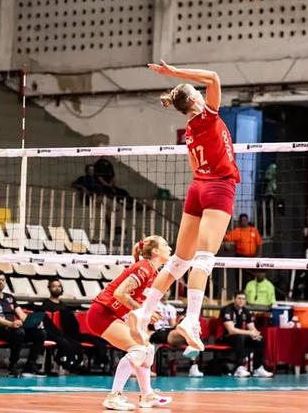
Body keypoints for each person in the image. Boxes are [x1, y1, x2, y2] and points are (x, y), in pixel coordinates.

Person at [129, 62, 239, 353]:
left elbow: (193, 167)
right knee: (203, 259)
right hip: (218, 187)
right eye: (198, 94)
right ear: (194, 100)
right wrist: (174, 73)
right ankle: (191, 320)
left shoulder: (190, 129)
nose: (204, 95)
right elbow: (214, 76)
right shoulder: (207, 115)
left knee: (178, 261)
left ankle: (142, 313)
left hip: (198, 188)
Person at [85, 236, 173, 410]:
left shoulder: (152, 272)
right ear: (155, 251)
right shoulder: (143, 268)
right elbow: (120, 294)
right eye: (165, 245)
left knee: (147, 349)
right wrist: (142, 311)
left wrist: (147, 313)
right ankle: (113, 396)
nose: (169, 248)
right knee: (138, 349)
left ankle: (147, 395)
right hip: (101, 313)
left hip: (112, 315)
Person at [0, 269, 47, 378]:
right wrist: (10, 324)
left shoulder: (10, 297)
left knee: (40, 333)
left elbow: (22, 315)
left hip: (14, 328)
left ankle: (30, 366)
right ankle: (12, 365)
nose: (0, 282)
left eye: (3, 280)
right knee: (19, 332)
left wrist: (33, 323)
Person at [41, 278, 95, 373]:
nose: (57, 288)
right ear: (49, 288)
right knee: (64, 342)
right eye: (54, 286)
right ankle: (64, 362)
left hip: (64, 333)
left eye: (59, 286)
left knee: (76, 342)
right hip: (52, 333)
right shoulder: (46, 305)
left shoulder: (63, 306)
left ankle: (75, 364)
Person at [218, 291, 273, 378]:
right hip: (226, 338)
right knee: (240, 337)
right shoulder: (227, 310)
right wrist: (249, 333)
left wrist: (255, 334)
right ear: (234, 299)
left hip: (240, 337)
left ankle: (258, 368)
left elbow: (252, 328)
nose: (241, 301)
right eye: (239, 298)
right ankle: (239, 368)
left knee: (259, 340)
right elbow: (231, 330)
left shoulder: (245, 311)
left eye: (243, 299)